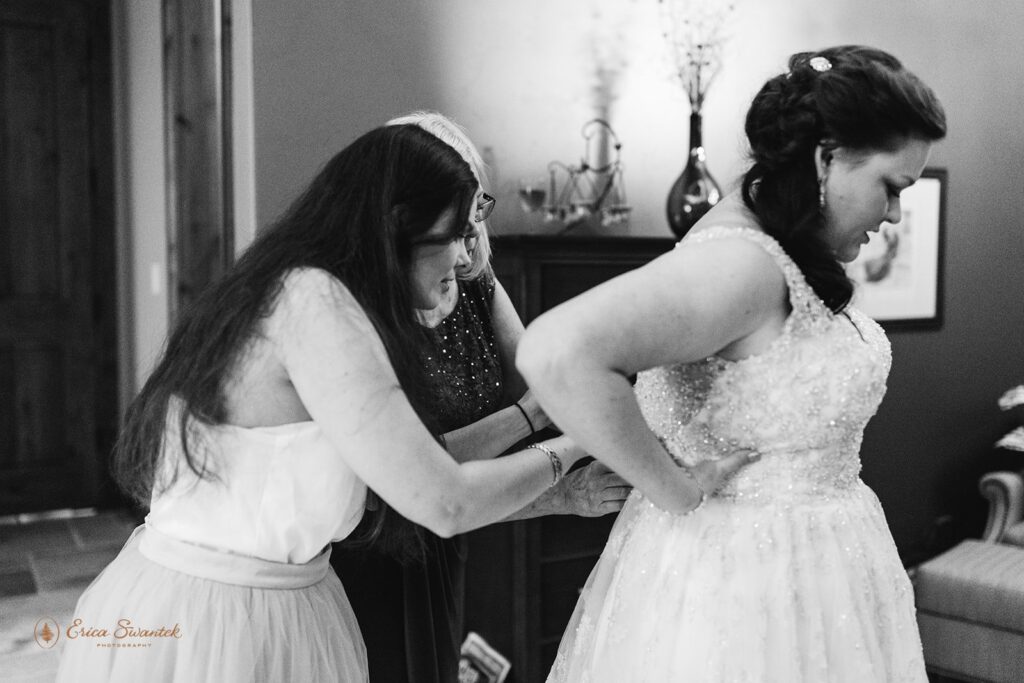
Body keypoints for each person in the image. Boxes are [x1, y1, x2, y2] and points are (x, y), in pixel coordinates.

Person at [55, 124, 597, 683]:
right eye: (455, 234)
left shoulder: (310, 292)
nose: (464, 256)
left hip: (289, 603)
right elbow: (445, 501)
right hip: (224, 622)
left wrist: (561, 480)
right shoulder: (314, 305)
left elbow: (404, 477)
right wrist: (577, 442)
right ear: (396, 227)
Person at [517, 45, 946, 682]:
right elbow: (556, 351)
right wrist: (673, 485)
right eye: (890, 188)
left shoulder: (777, 245)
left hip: (821, 574)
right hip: (744, 586)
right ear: (826, 157)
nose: (892, 215)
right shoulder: (740, 264)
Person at [332, 111, 636, 683]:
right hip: (369, 547)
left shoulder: (466, 288)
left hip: (438, 546)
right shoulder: (377, 311)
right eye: (458, 214)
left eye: (477, 208)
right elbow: (422, 468)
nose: (470, 229)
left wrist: (484, 271)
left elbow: (537, 383)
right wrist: (544, 434)